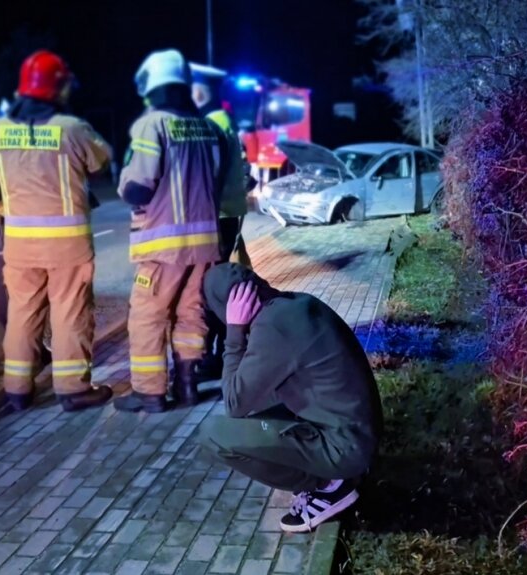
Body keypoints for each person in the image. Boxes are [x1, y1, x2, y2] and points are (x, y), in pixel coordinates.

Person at [198, 263, 383, 533]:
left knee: (213, 434)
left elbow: (234, 403)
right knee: (257, 402)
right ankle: (332, 476)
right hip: (357, 433)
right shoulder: (294, 304)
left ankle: (327, 487)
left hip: (346, 448)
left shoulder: (272, 327)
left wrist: (234, 332)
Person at [0, 50, 113, 412]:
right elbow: (101, 165)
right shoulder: (72, 129)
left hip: (20, 242)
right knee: (70, 313)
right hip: (67, 244)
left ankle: (18, 393)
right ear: (58, 87)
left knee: (22, 314)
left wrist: (11, 211)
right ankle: (73, 390)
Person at [114, 49, 223, 413]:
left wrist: (124, 185)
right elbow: (218, 179)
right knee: (191, 314)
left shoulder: (152, 124)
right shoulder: (206, 127)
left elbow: (138, 187)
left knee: (148, 316)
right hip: (205, 245)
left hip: (163, 246)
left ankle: (150, 392)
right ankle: (188, 387)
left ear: (154, 86)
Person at [189, 62, 250, 380]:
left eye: (193, 88)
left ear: (203, 91)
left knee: (211, 287)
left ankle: (219, 356)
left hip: (217, 215)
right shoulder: (224, 119)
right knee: (219, 283)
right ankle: (224, 351)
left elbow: (208, 175)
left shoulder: (212, 124)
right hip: (229, 214)